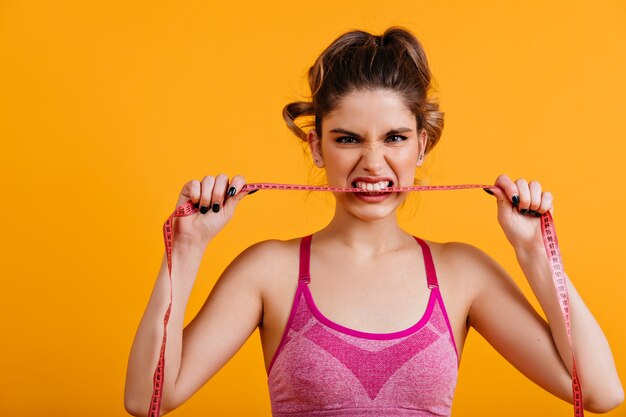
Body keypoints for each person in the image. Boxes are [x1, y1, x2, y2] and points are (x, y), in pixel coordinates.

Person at [124, 27, 623, 416]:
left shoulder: (461, 273)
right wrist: (185, 251)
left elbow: (601, 393)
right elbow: (148, 399)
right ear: (316, 147)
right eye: (347, 139)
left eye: (395, 138)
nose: (373, 163)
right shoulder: (268, 271)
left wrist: (537, 255)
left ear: (422, 145)